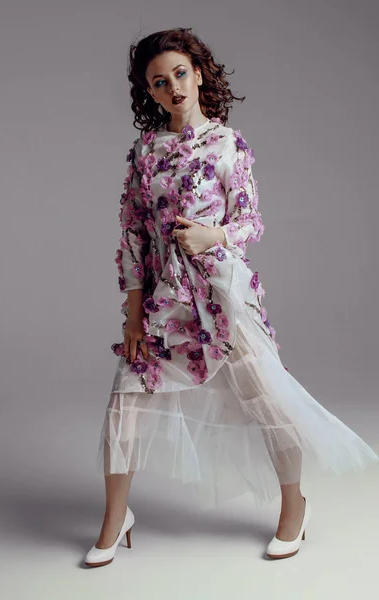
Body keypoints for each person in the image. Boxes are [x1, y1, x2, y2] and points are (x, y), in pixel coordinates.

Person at [84, 28, 379, 567]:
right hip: (161, 301)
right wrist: (131, 314)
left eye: (179, 74)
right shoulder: (145, 151)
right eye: (158, 83)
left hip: (220, 295)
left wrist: (211, 236)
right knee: (124, 406)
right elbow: (130, 232)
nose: (172, 88)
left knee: (266, 398)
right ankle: (115, 519)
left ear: (197, 74)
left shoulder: (228, 144)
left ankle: (295, 508)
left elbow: (250, 222)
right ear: (148, 95)